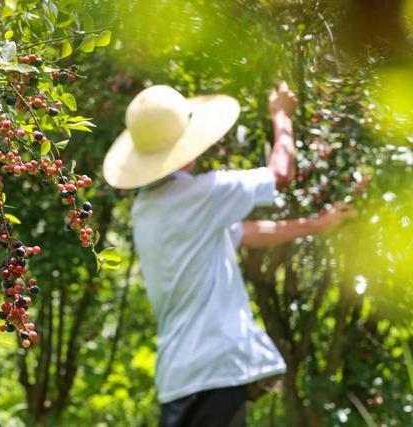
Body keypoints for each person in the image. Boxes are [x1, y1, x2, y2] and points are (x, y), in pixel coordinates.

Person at [102, 83, 356, 427]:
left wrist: (317, 225)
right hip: (216, 369)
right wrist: (281, 117)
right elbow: (281, 174)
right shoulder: (203, 194)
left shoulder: (146, 209)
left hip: (180, 377)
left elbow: (244, 233)